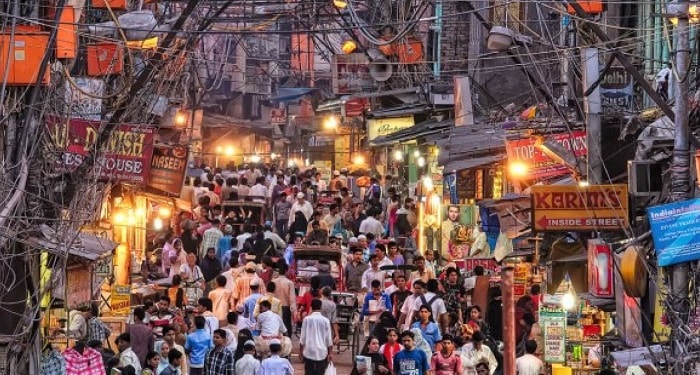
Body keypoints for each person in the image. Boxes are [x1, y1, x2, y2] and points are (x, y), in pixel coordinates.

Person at [300, 299, 334, 374]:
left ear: (311, 307)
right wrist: (330, 353)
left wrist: (301, 351)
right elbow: (329, 339)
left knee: (309, 372)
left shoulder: (306, 319)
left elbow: (302, 338)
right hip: (322, 352)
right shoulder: (326, 321)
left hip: (309, 350)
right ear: (320, 307)